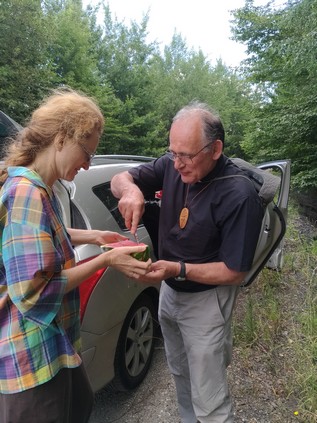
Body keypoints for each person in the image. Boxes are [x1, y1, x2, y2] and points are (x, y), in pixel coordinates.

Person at [0, 88, 151, 423]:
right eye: (86, 152)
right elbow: (33, 292)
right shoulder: (28, 194)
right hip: (32, 358)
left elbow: (41, 236)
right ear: (61, 138)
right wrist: (105, 259)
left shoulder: (42, 189)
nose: (87, 165)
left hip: (55, 345)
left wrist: (94, 235)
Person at [111, 101, 264, 423]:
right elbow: (121, 177)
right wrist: (131, 192)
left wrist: (177, 269)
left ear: (215, 148)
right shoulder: (171, 165)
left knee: (210, 398)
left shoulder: (239, 195)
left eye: (187, 155)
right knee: (179, 372)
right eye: (173, 153)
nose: (177, 164)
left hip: (207, 301)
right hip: (170, 292)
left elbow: (234, 272)